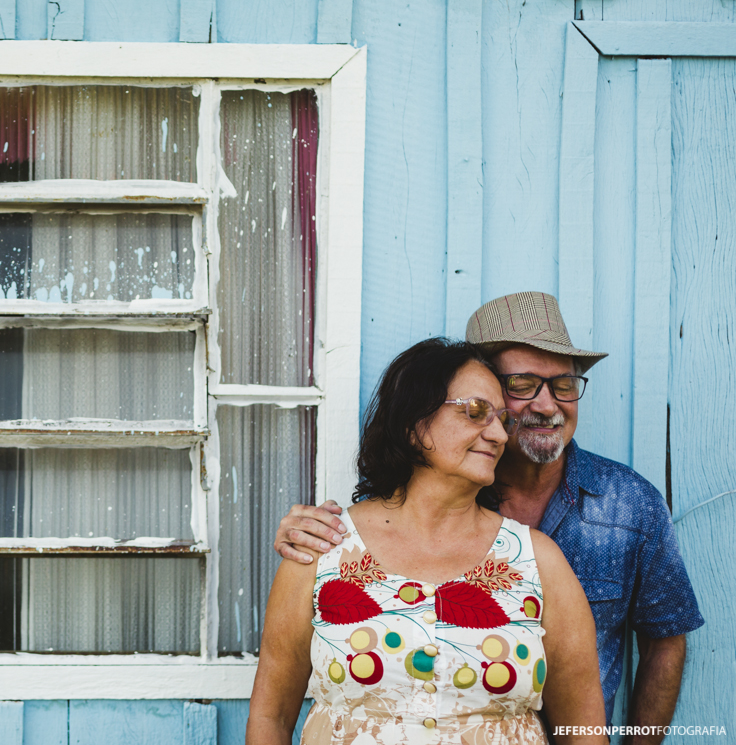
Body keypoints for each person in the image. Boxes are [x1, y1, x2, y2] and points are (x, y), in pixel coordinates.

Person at [275, 292, 704, 740]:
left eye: (564, 384)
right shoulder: (444, 482)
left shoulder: (629, 503)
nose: (546, 404)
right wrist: (304, 532)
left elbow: (666, 637)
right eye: (522, 384)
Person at [249, 338, 606, 744]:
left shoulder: (537, 561)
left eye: (502, 419)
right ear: (412, 423)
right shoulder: (323, 547)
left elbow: (585, 733)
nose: (499, 435)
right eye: (476, 412)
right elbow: (271, 719)